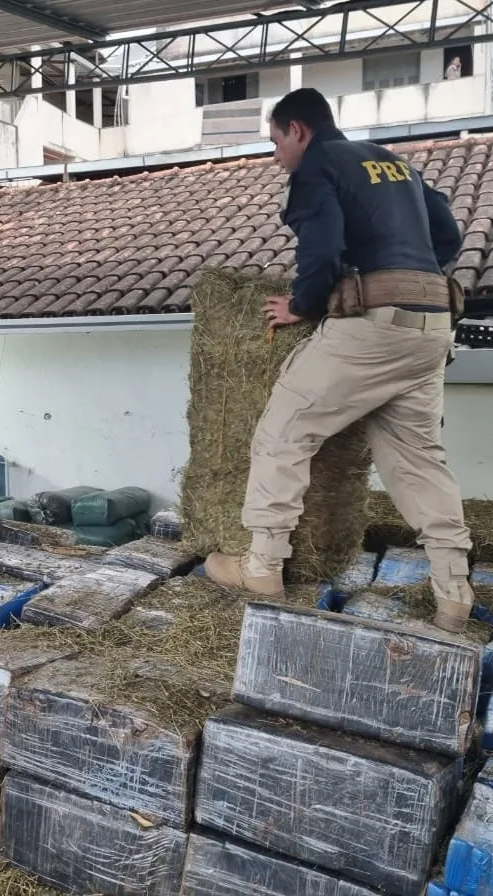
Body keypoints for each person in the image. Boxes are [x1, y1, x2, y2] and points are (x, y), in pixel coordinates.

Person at [202, 88, 474, 632]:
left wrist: (302, 305)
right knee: (419, 461)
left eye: (276, 141)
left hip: (373, 329)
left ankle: (260, 567)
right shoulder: (395, 164)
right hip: (432, 328)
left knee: (282, 434)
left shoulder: (318, 163)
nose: (276, 155)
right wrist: (410, 276)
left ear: (298, 130)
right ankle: (454, 592)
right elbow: (448, 234)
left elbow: (320, 248)